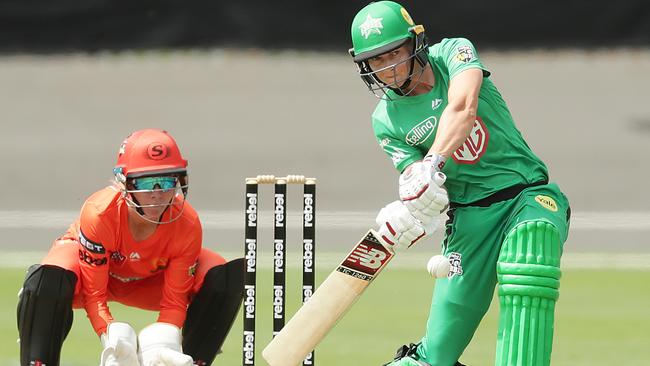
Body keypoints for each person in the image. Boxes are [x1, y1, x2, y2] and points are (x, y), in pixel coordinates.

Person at [349, 2, 571, 365]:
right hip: (469, 219)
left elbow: (463, 106)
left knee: (532, 245)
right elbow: (419, 182)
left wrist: (432, 161)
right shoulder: (385, 120)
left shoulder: (454, 52)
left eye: (394, 53)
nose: (388, 68)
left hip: (526, 196)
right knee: (435, 355)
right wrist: (412, 209)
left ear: (415, 43)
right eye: (376, 61)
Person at [17, 128, 244, 366]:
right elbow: (95, 294)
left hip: (150, 281)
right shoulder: (99, 214)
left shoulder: (187, 223)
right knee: (49, 277)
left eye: (166, 180)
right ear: (125, 182)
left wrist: (164, 341)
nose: (157, 194)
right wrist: (109, 333)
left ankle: (194, 361)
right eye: (146, 182)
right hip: (88, 279)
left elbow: (174, 301)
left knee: (223, 275)